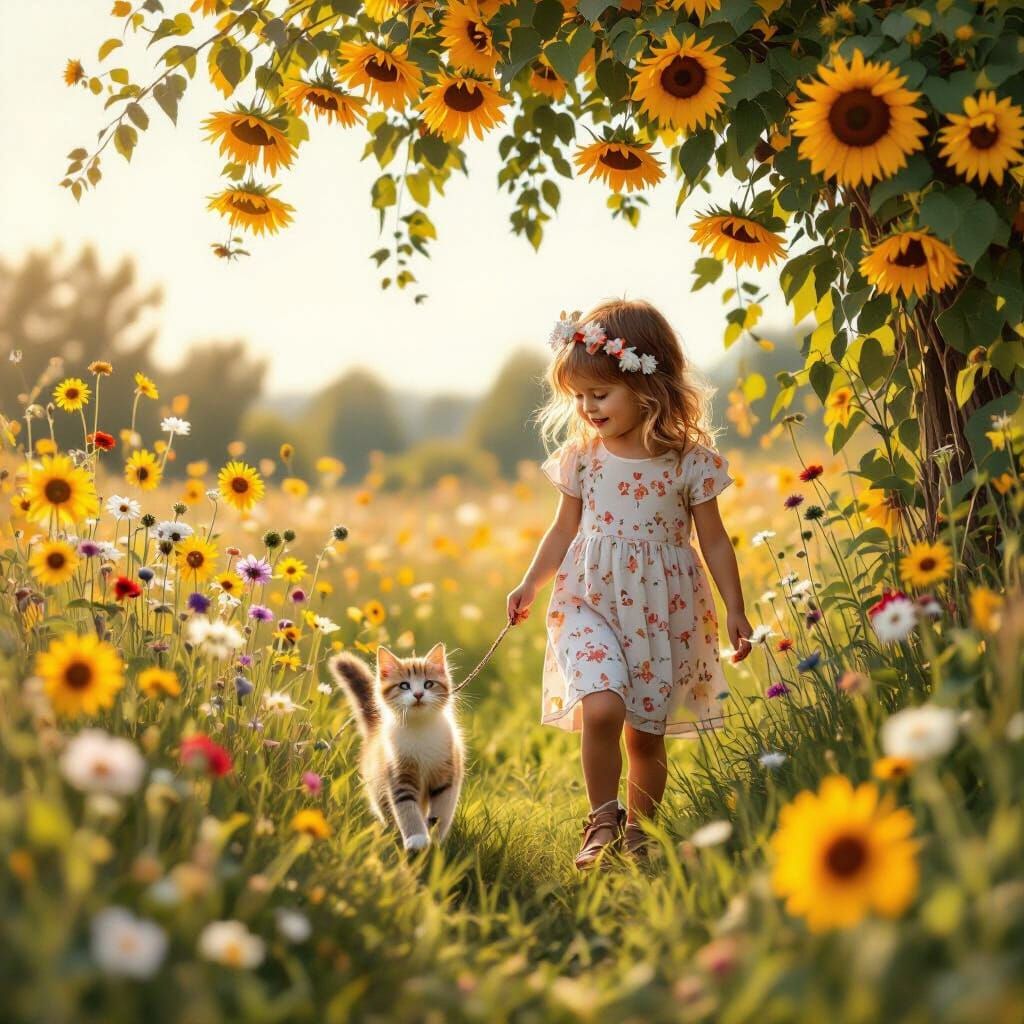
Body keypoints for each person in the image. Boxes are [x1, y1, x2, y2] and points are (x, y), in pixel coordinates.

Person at [507, 298, 752, 870]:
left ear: (647, 383)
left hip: (662, 611)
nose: (588, 408)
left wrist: (735, 608)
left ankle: (640, 834)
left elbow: (714, 540)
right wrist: (529, 584)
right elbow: (563, 528)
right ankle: (601, 819)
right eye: (579, 397)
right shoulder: (582, 459)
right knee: (601, 707)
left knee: (645, 735)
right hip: (588, 602)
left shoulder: (690, 463)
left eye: (600, 394)